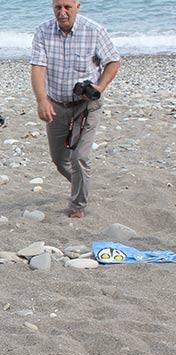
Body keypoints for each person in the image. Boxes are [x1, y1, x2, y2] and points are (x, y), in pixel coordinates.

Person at [30, 0, 120, 218]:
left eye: (67, 7)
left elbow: (113, 61)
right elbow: (38, 68)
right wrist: (42, 100)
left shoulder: (94, 31)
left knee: (79, 156)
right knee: (60, 160)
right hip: (57, 103)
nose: (62, 13)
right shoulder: (43, 32)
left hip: (87, 105)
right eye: (57, 7)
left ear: (77, 6)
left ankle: (78, 205)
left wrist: (99, 87)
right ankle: (82, 183)